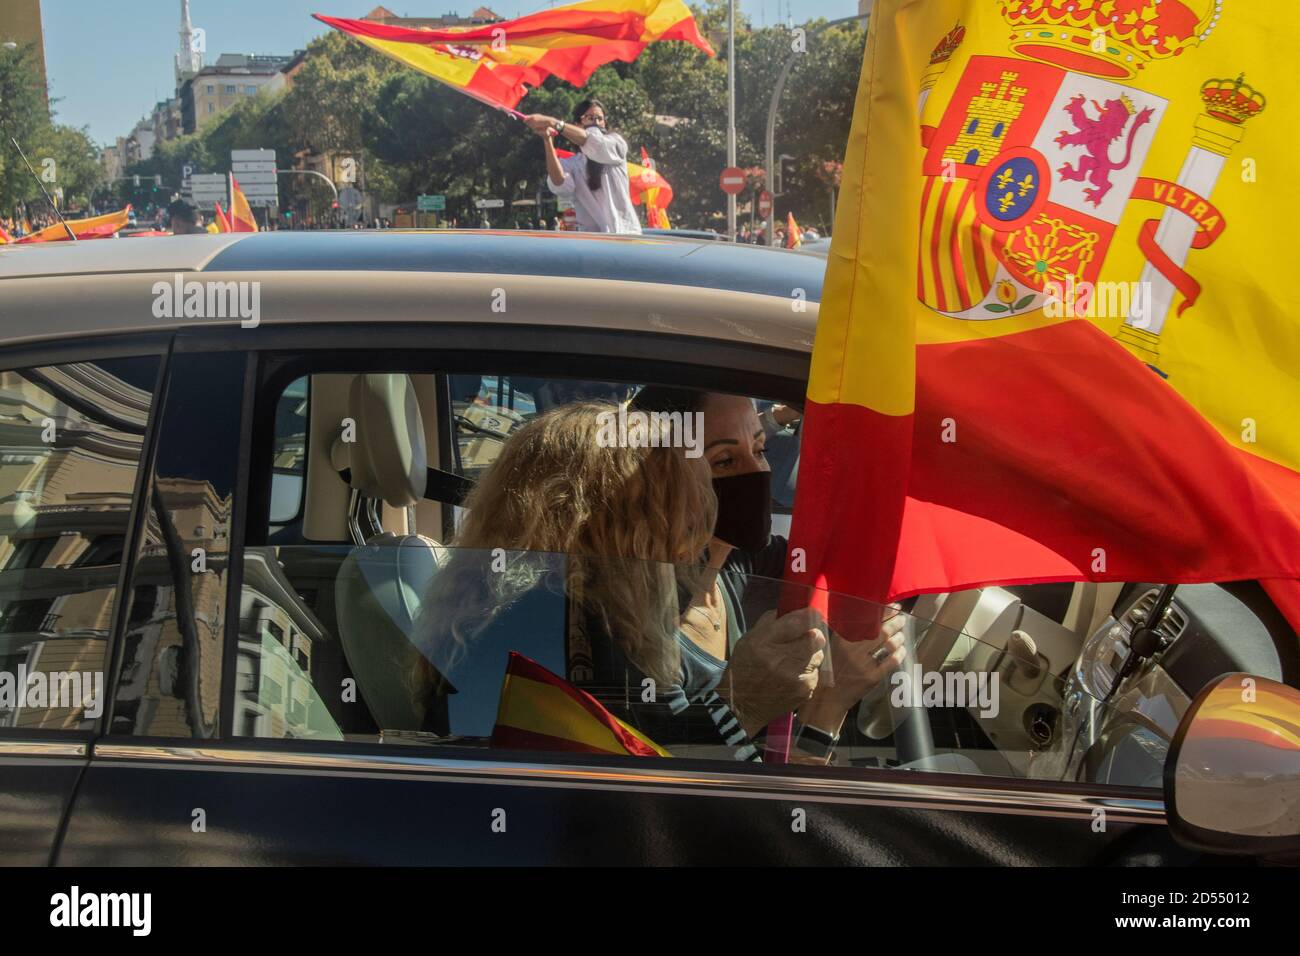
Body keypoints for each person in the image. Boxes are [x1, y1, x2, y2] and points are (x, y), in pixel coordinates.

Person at [416, 402, 833, 760]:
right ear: (612, 524)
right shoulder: (550, 628)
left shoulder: (594, 616)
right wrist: (741, 701)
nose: (691, 537)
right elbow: (646, 801)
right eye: (674, 508)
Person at [631, 387, 906, 763]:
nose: (758, 472)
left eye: (759, 450)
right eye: (725, 461)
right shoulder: (637, 631)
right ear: (663, 480)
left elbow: (840, 558)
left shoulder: (735, 562)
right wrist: (827, 704)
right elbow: (681, 793)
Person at [525, 99, 642, 235]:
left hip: (626, 234)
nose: (596, 123)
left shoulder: (616, 144)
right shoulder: (573, 163)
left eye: (600, 118)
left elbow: (595, 143)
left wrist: (553, 122)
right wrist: (547, 140)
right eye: (589, 118)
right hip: (593, 241)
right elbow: (560, 183)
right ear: (577, 125)